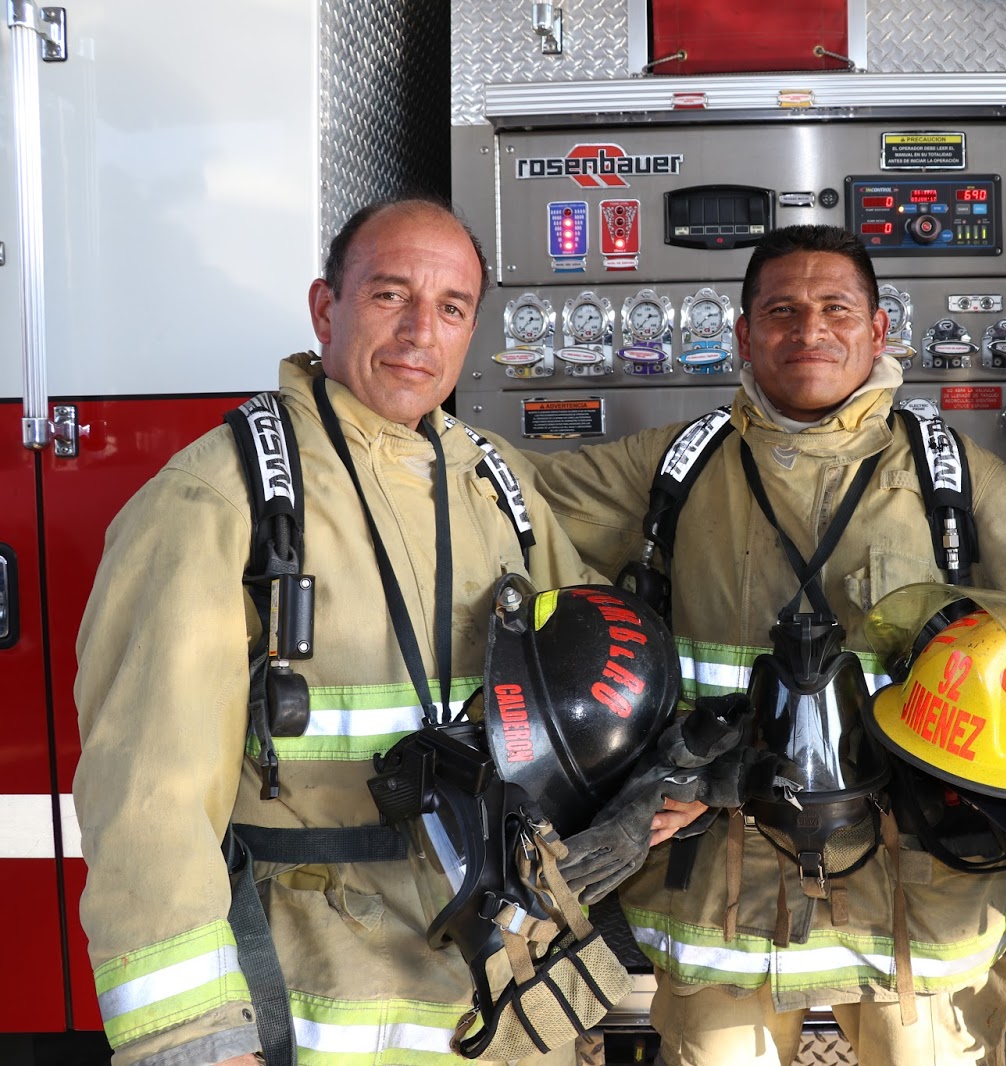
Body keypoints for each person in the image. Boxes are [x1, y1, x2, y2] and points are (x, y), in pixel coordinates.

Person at [525, 224, 1006, 1066]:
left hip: (919, 899)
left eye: (835, 308)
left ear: (880, 332)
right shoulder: (675, 466)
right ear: (742, 335)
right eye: (781, 311)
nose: (809, 331)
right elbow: (499, 496)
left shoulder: (952, 476)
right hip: (721, 902)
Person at [74, 196, 610, 1066]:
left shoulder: (496, 483)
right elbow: (148, 790)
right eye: (390, 296)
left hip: (496, 982)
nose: (418, 334)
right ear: (327, 307)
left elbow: (579, 680)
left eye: (450, 308)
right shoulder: (220, 494)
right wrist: (196, 1035)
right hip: (320, 987)